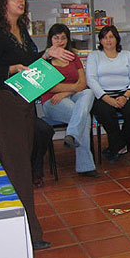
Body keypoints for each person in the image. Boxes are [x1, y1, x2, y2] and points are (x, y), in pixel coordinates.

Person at [0, 0, 75, 250]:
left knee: (21, 166)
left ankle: (17, 225)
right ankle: (30, 233)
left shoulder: (21, 29)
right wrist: (11, 68)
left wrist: (47, 55)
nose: (20, 0)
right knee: (18, 169)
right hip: (5, 104)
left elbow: (30, 63)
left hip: (24, 102)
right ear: (1, 3)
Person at [41, 24, 98, 177]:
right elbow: (47, 87)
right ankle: (85, 166)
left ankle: (72, 134)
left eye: (63, 38)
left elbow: (83, 83)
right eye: (56, 38)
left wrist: (65, 92)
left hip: (71, 96)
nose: (60, 41)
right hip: (51, 102)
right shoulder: (45, 60)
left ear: (68, 40)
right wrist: (69, 90)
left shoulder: (73, 57)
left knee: (89, 93)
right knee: (84, 116)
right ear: (50, 40)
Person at [0, 82, 54, 188]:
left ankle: (34, 170)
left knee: (43, 130)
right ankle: (19, 173)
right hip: (4, 111)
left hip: (24, 109)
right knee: (17, 134)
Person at [86, 25, 130, 163]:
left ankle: (116, 147)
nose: (108, 40)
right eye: (104, 37)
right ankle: (122, 146)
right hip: (103, 95)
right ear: (100, 40)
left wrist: (125, 96)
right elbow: (91, 79)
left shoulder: (127, 55)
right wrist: (107, 98)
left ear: (117, 38)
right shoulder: (94, 56)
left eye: (111, 36)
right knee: (106, 114)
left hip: (125, 93)